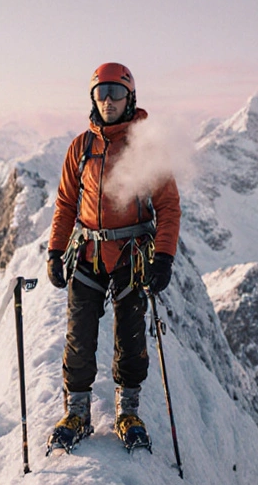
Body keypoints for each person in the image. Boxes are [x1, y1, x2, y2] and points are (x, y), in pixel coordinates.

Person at [45, 62, 181, 454]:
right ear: (93, 98)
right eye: (101, 93)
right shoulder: (81, 148)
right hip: (88, 252)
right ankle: (77, 412)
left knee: (131, 337)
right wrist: (55, 251)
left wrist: (164, 257)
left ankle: (129, 412)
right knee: (79, 336)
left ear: (130, 98)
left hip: (131, 257)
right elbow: (66, 203)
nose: (108, 101)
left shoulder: (146, 147)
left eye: (116, 93)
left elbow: (168, 206)